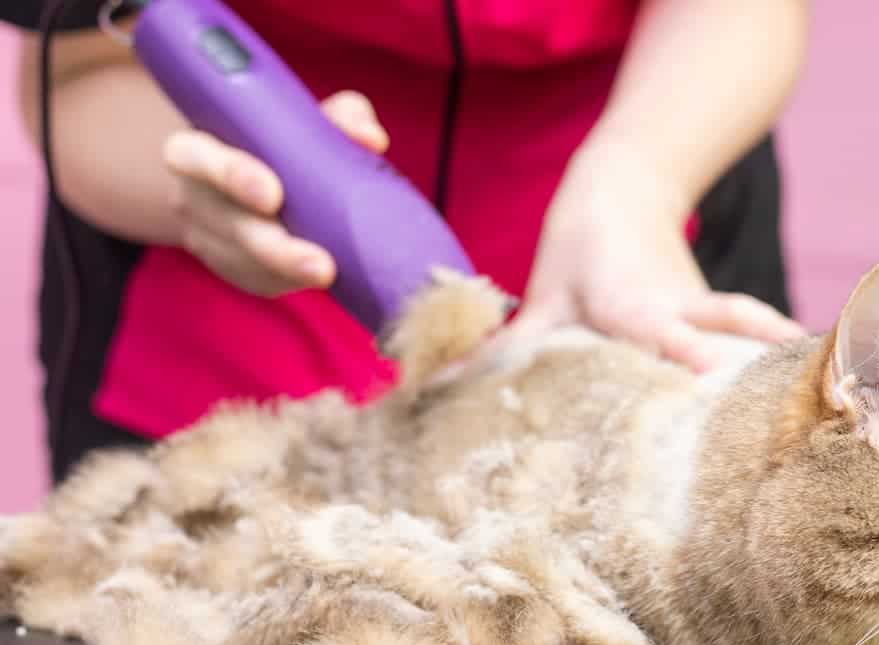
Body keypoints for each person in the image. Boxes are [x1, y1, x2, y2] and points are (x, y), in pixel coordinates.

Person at [3, 0, 808, 484]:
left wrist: (637, 187)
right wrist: (216, 194)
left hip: (638, 232)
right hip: (223, 347)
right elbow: (75, 65)